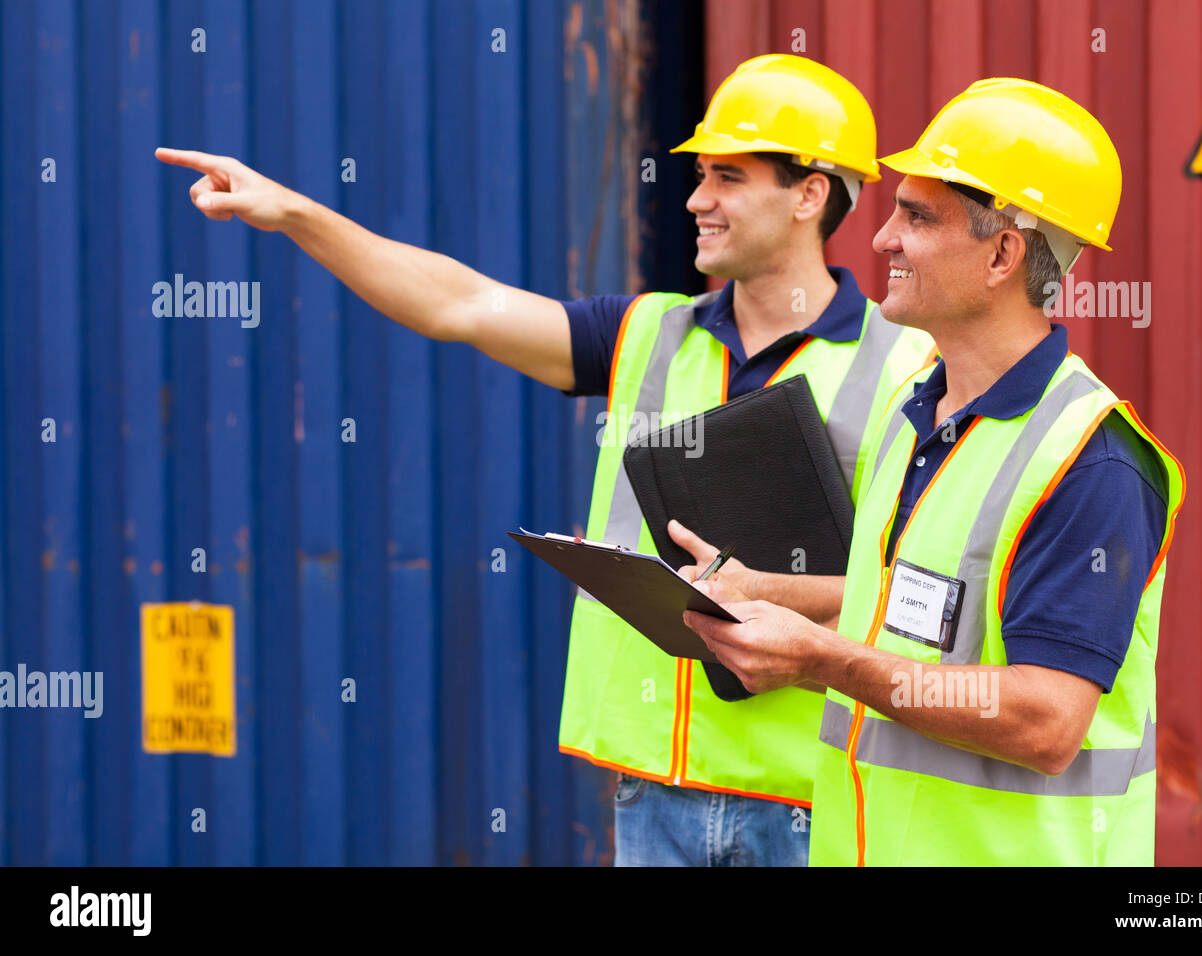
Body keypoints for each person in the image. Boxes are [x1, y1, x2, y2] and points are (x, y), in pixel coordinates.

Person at [156, 54, 934, 867]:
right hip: (651, 792)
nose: (698, 199)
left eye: (729, 177)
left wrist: (768, 593)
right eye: (700, 175)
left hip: (811, 798)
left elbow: (928, 600)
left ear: (810, 194)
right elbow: (455, 303)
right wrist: (294, 214)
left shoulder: (907, 370)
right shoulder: (644, 334)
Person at [684, 78, 1186, 866]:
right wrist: (767, 593)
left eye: (915, 217)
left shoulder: (1091, 460)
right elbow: (921, 620)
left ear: (1001, 254)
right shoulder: (917, 414)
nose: (881, 240)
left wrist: (819, 657)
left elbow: (1047, 720)